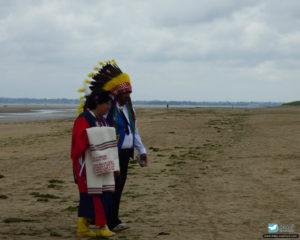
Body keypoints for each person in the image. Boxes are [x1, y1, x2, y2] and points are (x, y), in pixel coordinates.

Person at [87, 60, 148, 231]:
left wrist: (141, 150)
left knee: (118, 187)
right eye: (124, 93)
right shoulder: (108, 110)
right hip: (111, 153)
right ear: (116, 93)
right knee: (109, 187)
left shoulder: (130, 109)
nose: (128, 95)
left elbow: (134, 131)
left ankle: (108, 219)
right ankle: (110, 221)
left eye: (129, 92)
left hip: (125, 154)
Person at [71, 90, 117, 238]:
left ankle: (83, 227)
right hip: (86, 165)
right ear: (98, 103)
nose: (108, 107)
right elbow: (79, 142)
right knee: (94, 195)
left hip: (100, 163)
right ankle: (101, 226)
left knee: (97, 195)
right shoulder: (84, 119)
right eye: (107, 104)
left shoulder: (101, 120)